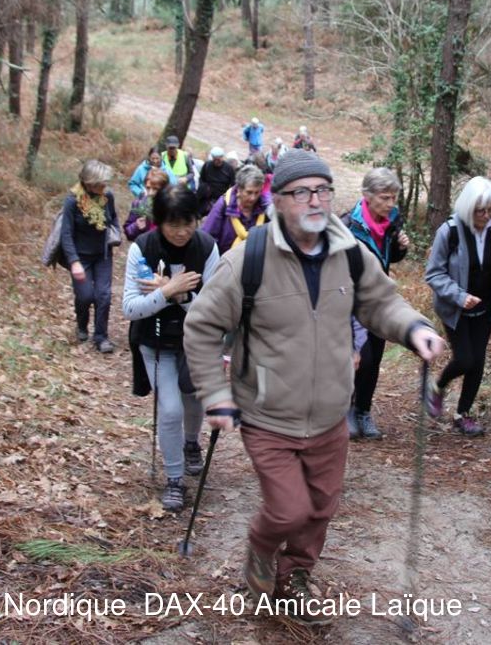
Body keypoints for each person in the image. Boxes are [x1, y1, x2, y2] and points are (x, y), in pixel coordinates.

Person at [184, 151, 445, 625]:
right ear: (279, 200)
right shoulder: (248, 260)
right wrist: (215, 395)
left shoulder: (351, 254)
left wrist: (414, 328)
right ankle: (262, 546)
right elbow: (201, 327)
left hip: (329, 415)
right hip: (267, 414)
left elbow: (381, 302)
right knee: (288, 510)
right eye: (302, 192)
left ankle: (295, 577)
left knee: (321, 508)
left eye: (323, 190)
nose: (315, 200)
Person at [122, 185, 220, 512]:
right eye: (172, 224)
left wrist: (179, 294)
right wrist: (165, 294)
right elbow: (130, 308)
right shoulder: (143, 249)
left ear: (197, 219)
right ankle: (174, 478)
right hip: (155, 341)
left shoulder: (207, 248)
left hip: (195, 342)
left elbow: (214, 309)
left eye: (187, 223)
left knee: (193, 397)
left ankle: (191, 443)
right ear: (159, 222)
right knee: (170, 409)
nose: (181, 232)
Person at [423, 176, 491, 437]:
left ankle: (462, 415)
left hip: (486, 306)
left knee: (477, 362)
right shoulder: (450, 231)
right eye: (480, 211)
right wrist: (458, 296)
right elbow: (433, 274)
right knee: (465, 358)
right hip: (455, 309)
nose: (486, 216)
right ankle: (437, 387)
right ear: (468, 208)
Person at [342, 168, 411, 440]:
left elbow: (388, 257)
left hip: (378, 299)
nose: (390, 204)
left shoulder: (392, 219)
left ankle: (363, 411)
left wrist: (400, 248)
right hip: (352, 301)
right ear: (367, 196)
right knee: (361, 357)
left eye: (394, 198)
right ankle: (347, 409)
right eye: (385, 198)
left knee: (374, 360)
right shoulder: (349, 225)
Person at [59, 159, 122, 354]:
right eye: (100, 184)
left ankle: (101, 337)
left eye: (105, 183)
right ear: (89, 183)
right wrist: (74, 262)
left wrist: (116, 233)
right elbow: (66, 234)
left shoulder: (107, 196)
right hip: (81, 258)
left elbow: (113, 218)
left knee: (103, 295)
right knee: (85, 296)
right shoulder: (72, 201)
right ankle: (82, 325)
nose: (104, 187)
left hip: (103, 254)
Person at [201, 164, 272, 254]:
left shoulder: (264, 207)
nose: (253, 198)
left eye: (257, 192)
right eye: (249, 192)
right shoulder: (223, 205)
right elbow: (208, 238)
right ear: (239, 189)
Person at [125, 167, 169, 242]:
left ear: (164, 189)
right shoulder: (139, 204)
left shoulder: (171, 206)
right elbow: (128, 233)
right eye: (148, 188)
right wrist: (136, 226)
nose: (150, 193)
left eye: (155, 189)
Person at [196, 147, 236, 217]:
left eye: (219, 159)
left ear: (222, 158)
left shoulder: (229, 169)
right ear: (212, 158)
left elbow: (233, 185)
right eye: (215, 160)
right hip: (207, 197)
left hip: (221, 198)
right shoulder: (207, 165)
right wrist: (204, 189)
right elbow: (201, 179)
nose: (217, 162)